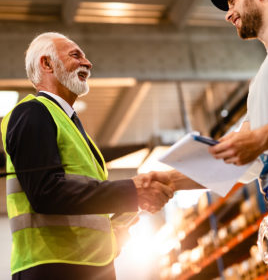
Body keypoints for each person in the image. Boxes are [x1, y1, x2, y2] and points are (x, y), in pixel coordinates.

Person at [0, 32, 175, 280]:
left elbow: (81, 203)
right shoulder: (32, 113)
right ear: (47, 63)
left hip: (89, 268)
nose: (88, 63)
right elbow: (46, 193)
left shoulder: (72, 127)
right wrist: (131, 191)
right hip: (52, 268)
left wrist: (116, 227)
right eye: (75, 55)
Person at [208, 0, 268, 278]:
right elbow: (243, 158)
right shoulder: (259, 81)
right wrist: (168, 180)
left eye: (233, 0)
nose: (228, 13)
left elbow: (255, 142)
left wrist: (259, 139)